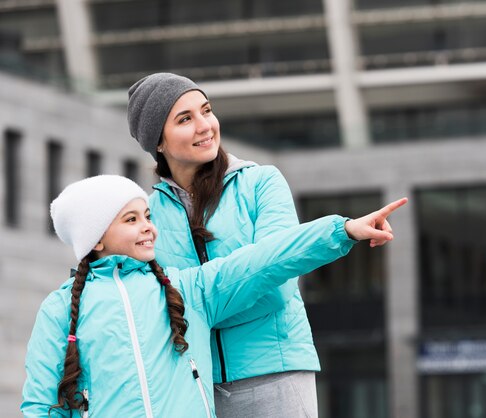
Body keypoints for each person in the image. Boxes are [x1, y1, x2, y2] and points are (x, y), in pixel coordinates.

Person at [21, 174, 407, 417]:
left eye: (148, 216)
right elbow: (42, 404)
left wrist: (342, 231)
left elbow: (262, 261)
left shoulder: (187, 289)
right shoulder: (59, 309)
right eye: (131, 219)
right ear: (97, 237)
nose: (148, 228)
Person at [127, 73, 396, 417]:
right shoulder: (149, 217)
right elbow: (160, 308)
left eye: (206, 111)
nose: (204, 126)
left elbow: (277, 280)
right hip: (195, 386)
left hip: (275, 374)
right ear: (158, 143)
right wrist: (237, 278)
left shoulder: (261, 183)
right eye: (185, 119)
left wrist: (201, 303)